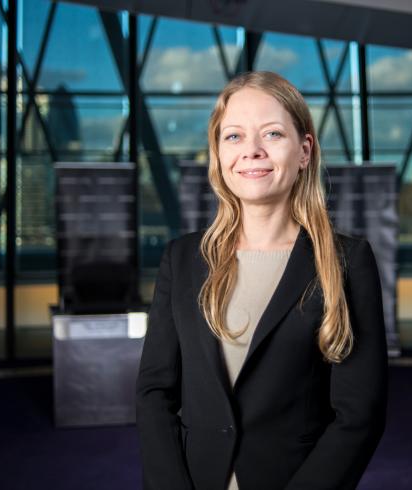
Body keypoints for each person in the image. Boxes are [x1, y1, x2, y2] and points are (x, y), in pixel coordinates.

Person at [135, 71, 387, 490]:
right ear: (218, 153)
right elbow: (155, 393)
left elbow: (360, 416)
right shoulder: (182, 260)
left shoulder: (346, 262)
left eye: (271, 134)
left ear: (304, 150)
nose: (251, 151)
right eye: (233, 136)